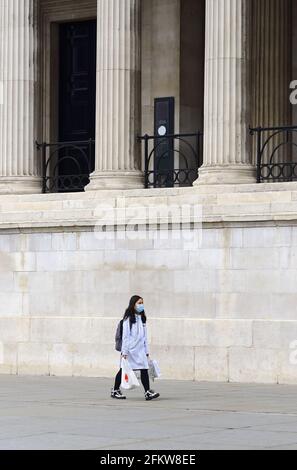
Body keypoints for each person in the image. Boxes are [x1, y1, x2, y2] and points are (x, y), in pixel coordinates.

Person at [111, 295, 160, 401]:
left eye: (142, 303)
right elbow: (126, 337)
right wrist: (124, 351)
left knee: (144, 369)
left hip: (140, 350)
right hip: (130, 350)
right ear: (133, 305)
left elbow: (145, 337)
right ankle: (115, 390)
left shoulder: (142, 318)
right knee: (123, 369)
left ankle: (147, 392)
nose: (141, 305)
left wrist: (146, 350)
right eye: (139, 303)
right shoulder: (127, 319)